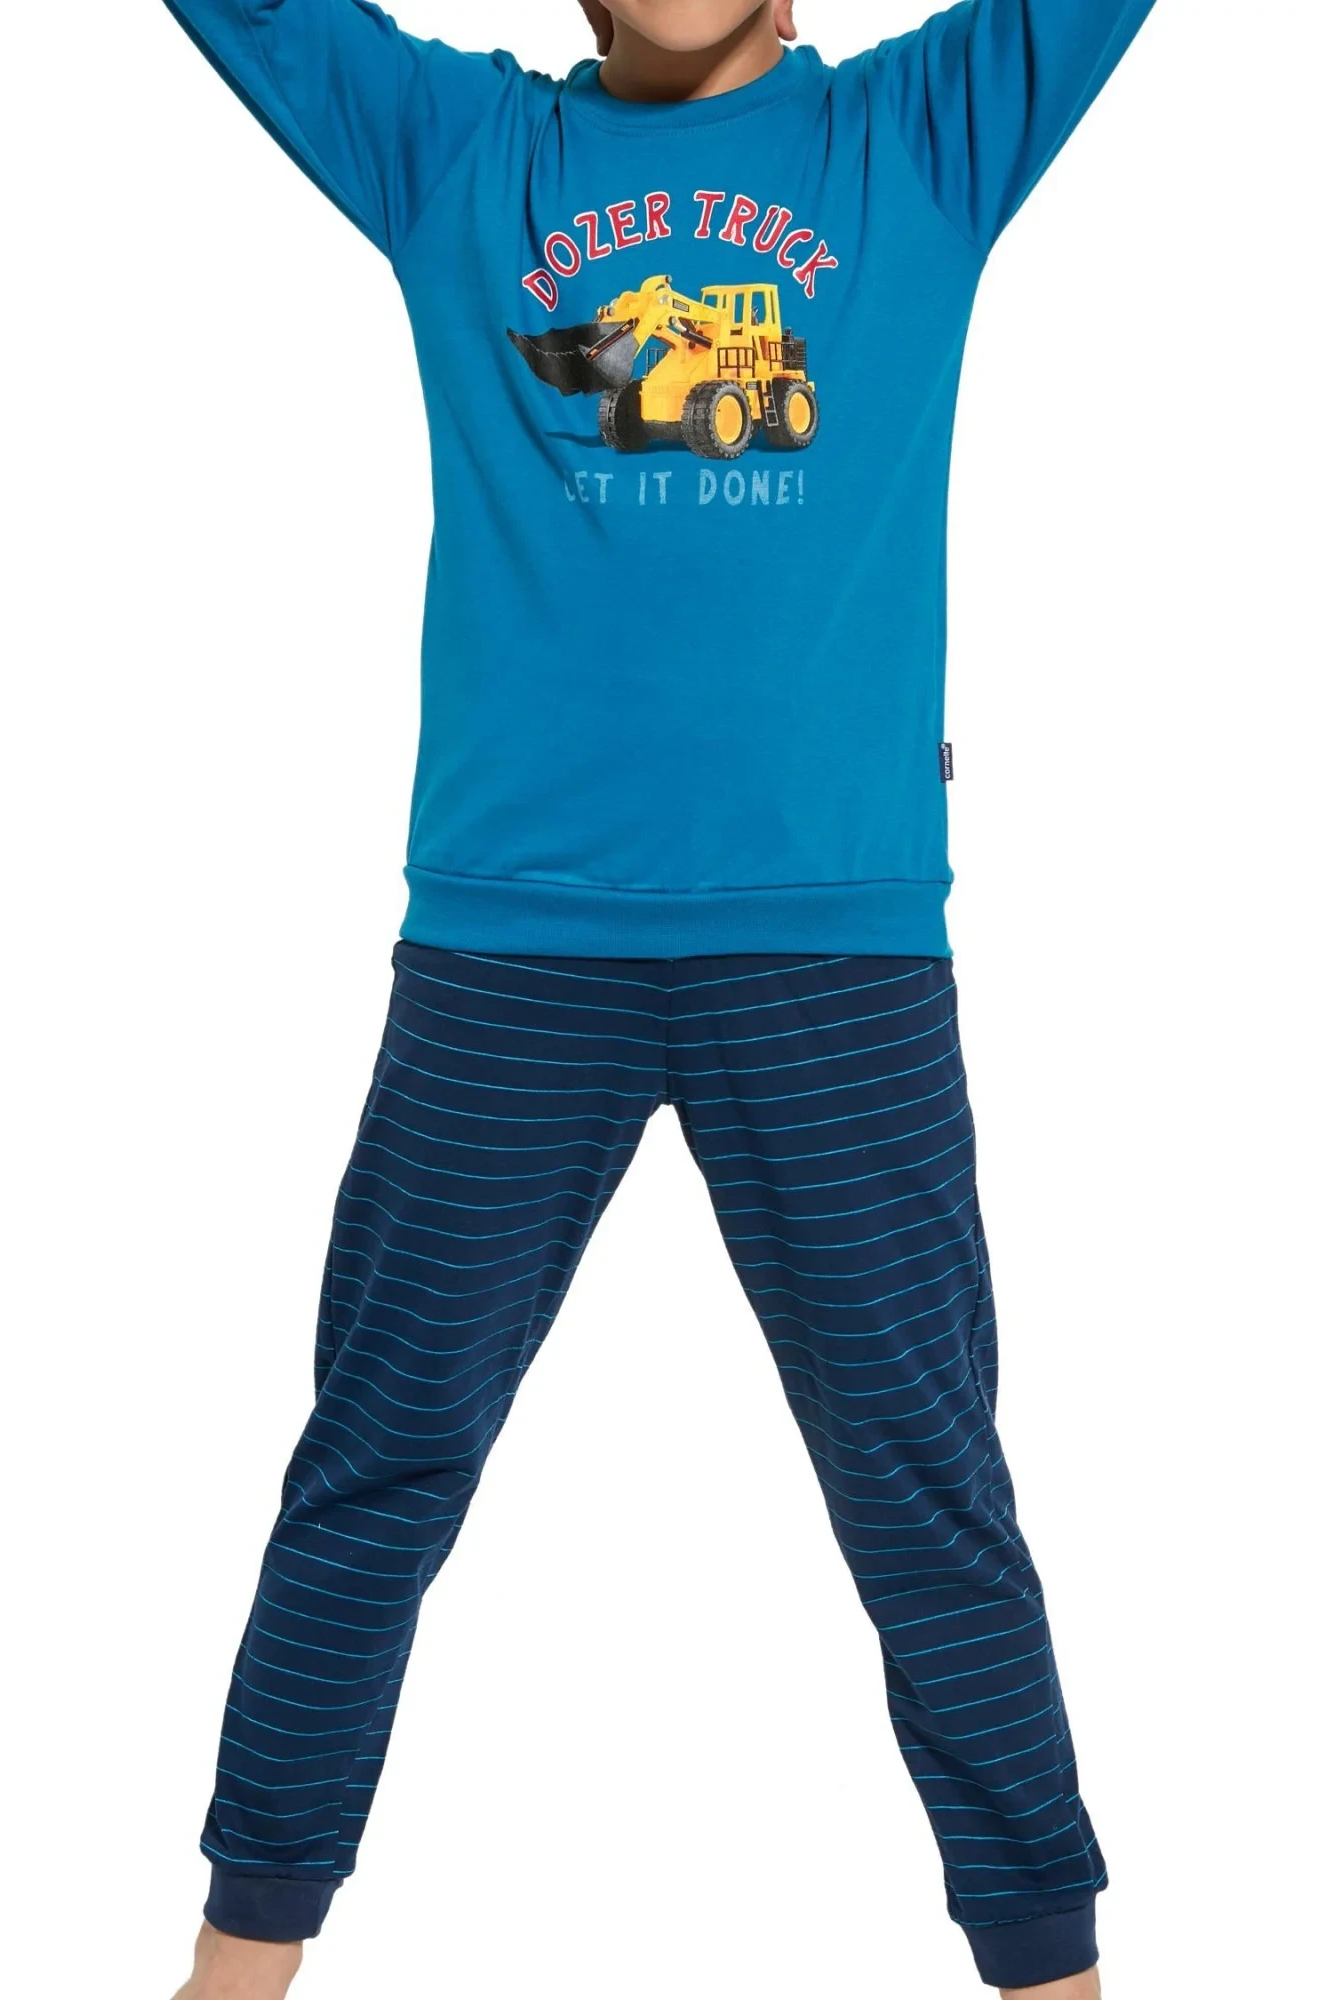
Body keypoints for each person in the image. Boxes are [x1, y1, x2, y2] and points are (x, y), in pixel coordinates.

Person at [158, 3, 1157, 1995]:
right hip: (512, 948)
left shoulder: (922, 141)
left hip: (834, 951)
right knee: (375, 1465)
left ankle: (1056, 1970)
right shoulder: (461, 154)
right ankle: (232, 1967)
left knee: (926, 1493)